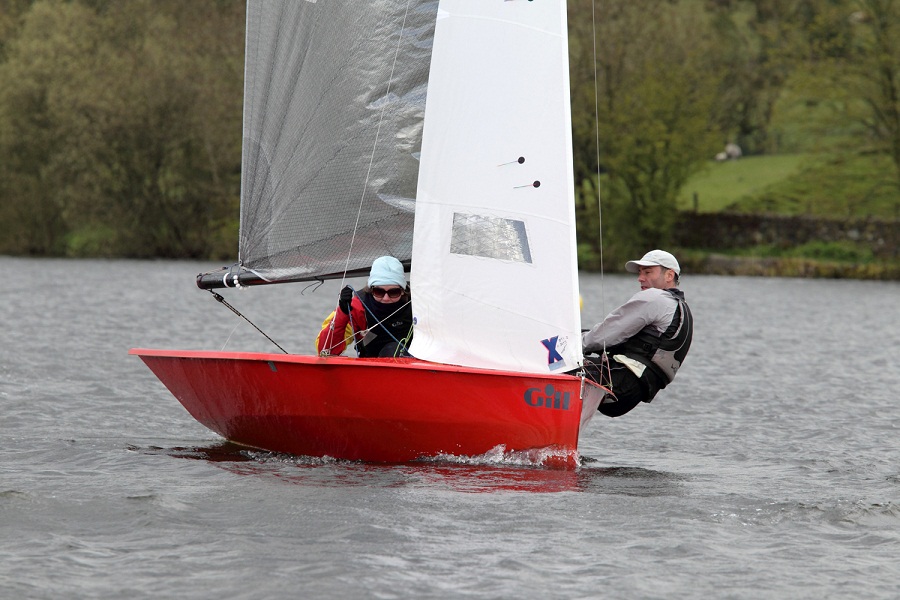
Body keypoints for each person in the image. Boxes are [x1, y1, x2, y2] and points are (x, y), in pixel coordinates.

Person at [581, 249, 693, 417]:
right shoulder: (682, 309)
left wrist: (569, 345)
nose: (640, 278)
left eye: (648, 272)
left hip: (619, 381)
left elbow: (606, 334)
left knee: (555, 363)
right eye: (640, 273)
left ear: (669, 275)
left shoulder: (655, 297)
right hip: (631, 394)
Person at [316, 256, 414, 358]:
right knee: (393, 350)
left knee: (394, 349)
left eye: (394, 292)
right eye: (379, 292)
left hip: (416, 363)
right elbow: (325, 351)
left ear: (403, 291)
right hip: (373, 365)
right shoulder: (356, 307)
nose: (386, 298)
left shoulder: (419, 302)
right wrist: (343, 313)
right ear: (371, 290)